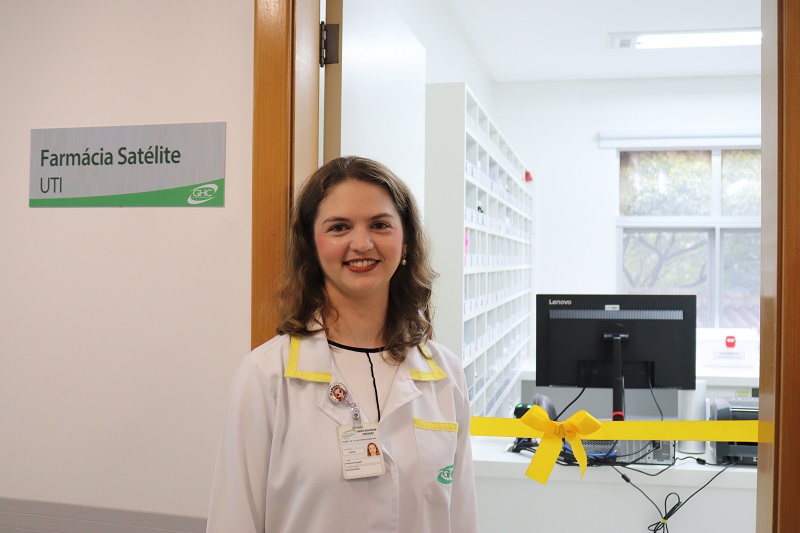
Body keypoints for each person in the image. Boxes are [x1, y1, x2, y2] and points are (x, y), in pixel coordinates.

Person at [206, 156, 478, 533]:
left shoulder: (446, 375)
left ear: (406, 243)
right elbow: (233, 520)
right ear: (312, 245)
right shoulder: (266, 376)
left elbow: (461, 517)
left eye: (380, 224)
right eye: (339, 227)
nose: (362, 243)